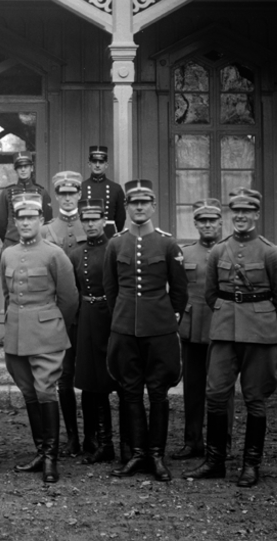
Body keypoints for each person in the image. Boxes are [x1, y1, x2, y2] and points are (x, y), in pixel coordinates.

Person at [186, 189, 277, 487]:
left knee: (255, 399)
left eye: (247, 211)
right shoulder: (220, 251)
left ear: (256, 214)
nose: (241, 216)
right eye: (237, 212)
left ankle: (251, 465)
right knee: (216, 394)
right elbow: (211, 294)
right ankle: (215, 461)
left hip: (259, 335)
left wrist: (265, 322)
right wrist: (228, 316)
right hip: (224, 333)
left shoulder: (269, 253)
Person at [103, 179, 186, 481]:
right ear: (126, 207)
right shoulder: (116, 244)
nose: (139, 207)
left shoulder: (167, 244)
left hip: (160, 329)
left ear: (153, 206)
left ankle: (157, 456)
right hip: (125, 328)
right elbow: (111, 288)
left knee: (159, 393)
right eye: (134, 203)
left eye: (144, 202)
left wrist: (168, 320)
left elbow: (179, 290)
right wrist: (122, 318)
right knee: (131, 392)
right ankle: (138, 454)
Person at [1, 192, 79, 484]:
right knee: (28, 392)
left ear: (41, 220)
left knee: (46, 390)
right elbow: (8, 294)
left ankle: (51, 458)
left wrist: (54, 325)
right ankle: (40, 451)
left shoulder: (54, 254)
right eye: (20, 218)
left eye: (31, 217)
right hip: (16, 334)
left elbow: (69, 299)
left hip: (46, 333)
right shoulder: (8, 254)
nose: (25, 222)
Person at [172, 198, 232, 462]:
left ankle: (222, 442)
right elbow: (177, 290)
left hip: (222, 327)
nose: (208, 225)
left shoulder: (231, 251)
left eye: (212, 220)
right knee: (193, 388)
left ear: (221, 222)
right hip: (193, 327)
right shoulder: (184, 254)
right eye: (202, 220)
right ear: (195, 224)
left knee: (222, 388)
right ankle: (192, 441)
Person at [41, 171, 87, 455]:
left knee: (91, 374)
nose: (68, 198)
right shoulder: (46, 230)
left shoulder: (92, 224)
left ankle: (94, 437)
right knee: (64, 375)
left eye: (72, 193)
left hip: (89, 313)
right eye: (62, 193)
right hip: (59, 314)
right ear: (56, 196)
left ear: (79, 194)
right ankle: (72, 438)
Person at [69, 199, 115, 465]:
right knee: (89, 381)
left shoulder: (114, 248)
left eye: (95, 219)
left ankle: (126, 443)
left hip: (110, 317)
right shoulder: (77, 253)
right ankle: (94, 439)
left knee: (115, 379)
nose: (90, 224)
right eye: (85, 220)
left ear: (104, 220)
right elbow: (73, 291)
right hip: (86, 318)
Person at [0, 153, 53, 247]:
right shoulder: (6, 193)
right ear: (16, 170)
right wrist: (9, 239)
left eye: (26, 166)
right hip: (12, 244)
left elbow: (47, 221)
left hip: (36, 245)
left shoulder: (42, 193)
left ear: (32, 168)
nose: (23, 169)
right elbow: (0, 223)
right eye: (19, 167)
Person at [81, 145, 125, 237]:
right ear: (89, 164)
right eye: (94, 162)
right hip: (86, 235)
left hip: (109, 235)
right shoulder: (81, 187)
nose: (97, 165)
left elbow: (120, 218)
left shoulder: (116, 188)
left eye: (101, 162)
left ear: (106, 165)